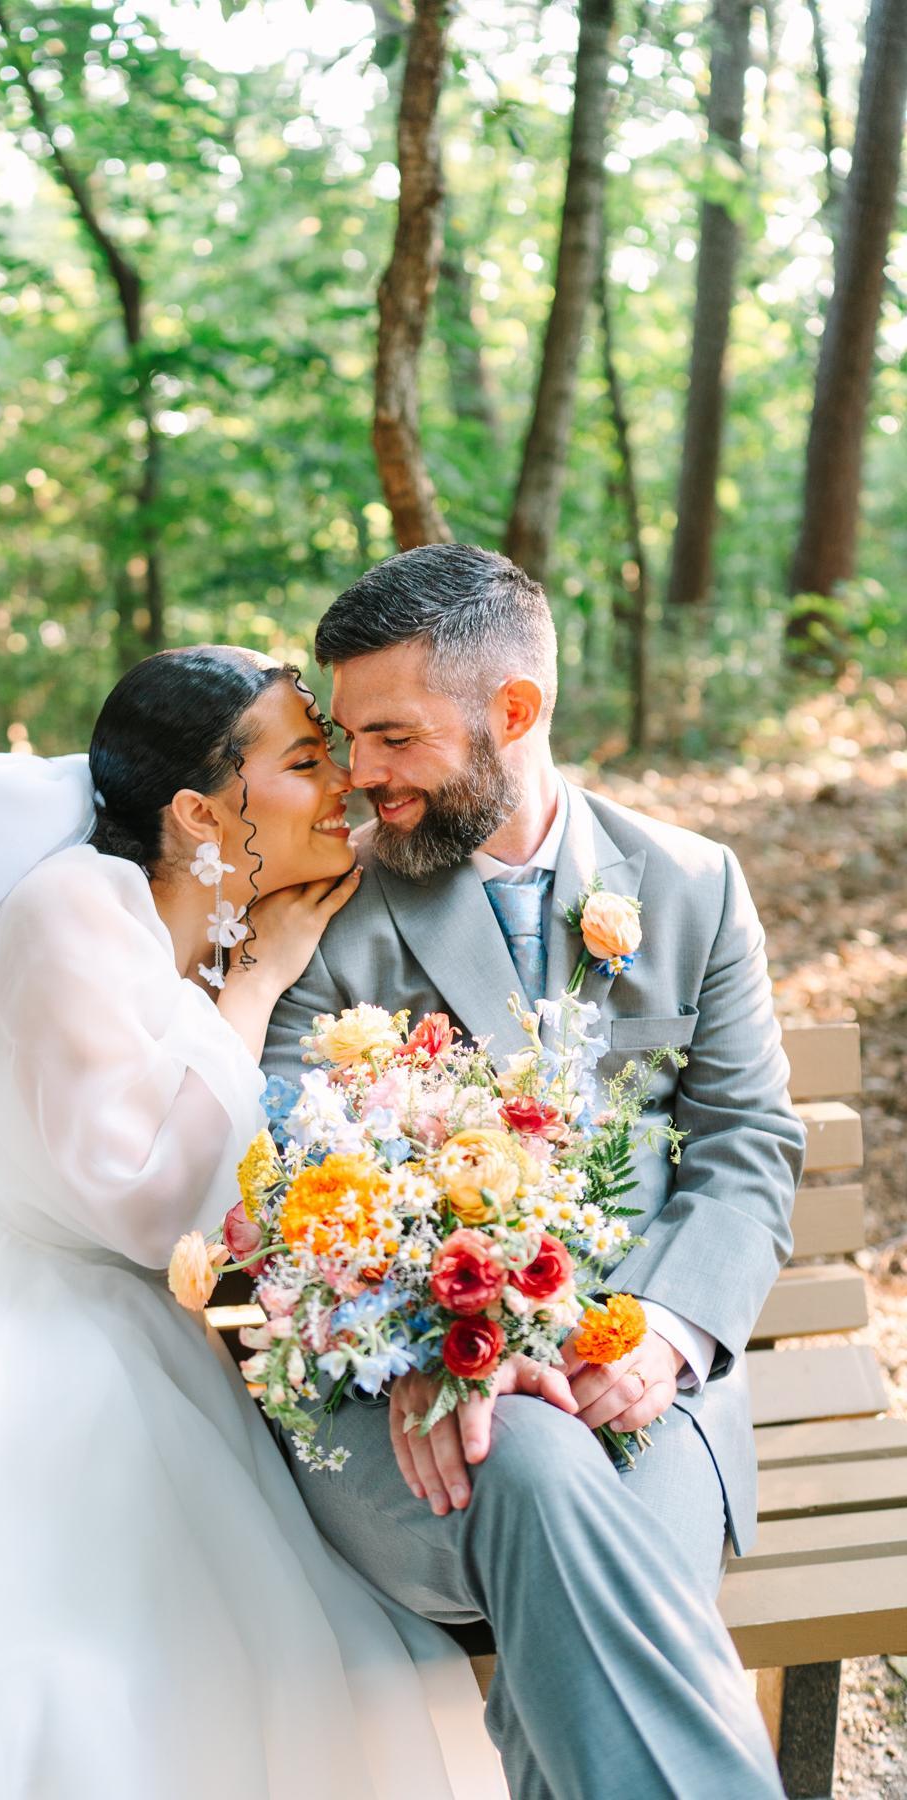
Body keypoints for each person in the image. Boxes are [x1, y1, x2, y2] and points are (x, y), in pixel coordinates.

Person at [0, 647, 504, 1800]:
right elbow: (144, 1202)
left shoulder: (244, 906)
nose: (343, 782)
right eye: (304, 759)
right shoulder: (69, 908)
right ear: (198, 811)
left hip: (148, 1315)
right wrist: (255, 986)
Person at [262, 545, 802, 1799]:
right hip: (414, 1410)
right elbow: (289, 1174)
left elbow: (749, 1147)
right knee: (538, 1469)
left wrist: (662, 1336)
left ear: (513, 711)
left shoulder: (692, 886)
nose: (360, 773)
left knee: (587, 1548)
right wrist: (433, 1342)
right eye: (348, 736)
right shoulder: (326, 907)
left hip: (647, 1391)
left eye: (394, 736)